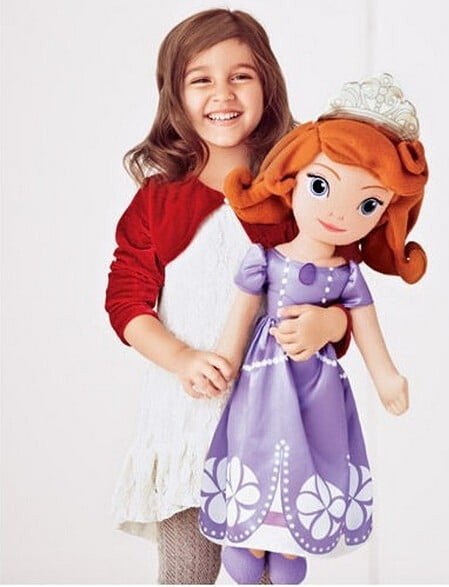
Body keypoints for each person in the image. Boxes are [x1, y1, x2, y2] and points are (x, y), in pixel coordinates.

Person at [105, 9, 352, 585]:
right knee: (186, 574)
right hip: (188, 425)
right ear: (175, 95)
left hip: (274, 427)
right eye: (201, 79)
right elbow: (126, 300)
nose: (223, 93)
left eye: (241, 75)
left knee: (265, 576)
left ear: (268, 84)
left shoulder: (297, 196)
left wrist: (327, 327)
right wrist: (181, 358)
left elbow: (343, 293)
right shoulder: (158, 202)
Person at [198, 74, 428, 584]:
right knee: (259, 445)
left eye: (368, 204)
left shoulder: (348, 275)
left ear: (384, 214)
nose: (339, 214)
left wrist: (386, 376)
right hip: (263, 382)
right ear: (291, 179)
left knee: (313, 456)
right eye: (321, 186)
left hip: (319, 387)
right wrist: (223, 361)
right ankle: (252, 533)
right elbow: (238, 321)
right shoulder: (264, 261)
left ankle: (289, 538)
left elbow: (367, 330)